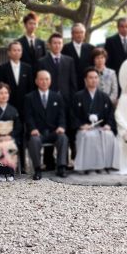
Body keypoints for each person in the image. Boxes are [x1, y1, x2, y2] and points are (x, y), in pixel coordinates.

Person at [37, 32, 77, 167]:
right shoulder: (42, 61)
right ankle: (48, 161)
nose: (57, 45)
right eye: (54, 43)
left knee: (64, 130)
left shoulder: (69, 60)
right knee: (49, 128)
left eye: (59, 43)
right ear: (49, 45)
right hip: (47, 101)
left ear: (62, 44)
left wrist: (73, 100)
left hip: (65, 101)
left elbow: (73, 83)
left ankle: (64, 161)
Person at [0, 41, 34, 171]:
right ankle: (7, 166)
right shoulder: (2, 68)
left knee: (22, 135)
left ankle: (22, 165)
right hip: (7, 108)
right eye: (14, 50)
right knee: (7, 134)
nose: (17, 52)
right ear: (9, 52)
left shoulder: (28, 68)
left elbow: (31, 89)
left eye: (19, 50)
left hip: (24, 108)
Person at [73, 67, 120, 173]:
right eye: (90, 78)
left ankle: (105, 165)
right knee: (89, 136)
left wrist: (108, 125)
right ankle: (89, 167)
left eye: (95, 77)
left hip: (101, 127)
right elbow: (73, 115)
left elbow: (110, 114)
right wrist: (81, 125)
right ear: (85, 80)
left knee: (109, 135)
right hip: (85, 128)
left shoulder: (104, 97)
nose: (93, 80)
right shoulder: (78, 96)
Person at [23, 70, 69, 180]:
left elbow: (62, 115)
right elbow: (28, 116)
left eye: (47, 79)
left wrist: (61, 126)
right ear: (36, 81)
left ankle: (61, 167)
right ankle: (38, 169)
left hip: (54, 131)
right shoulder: (29, 97)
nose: (44, 82)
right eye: (41, 79)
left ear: (50, 81)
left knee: (63, 137)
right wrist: (32, 128)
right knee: (34, 140)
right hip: (38, 132)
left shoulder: (57, 97)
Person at [62, 22, 95, 87]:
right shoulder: (65, 48)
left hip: (87, 83)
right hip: (71, 83)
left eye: (81, 32)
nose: (79, 35)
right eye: (77, 33)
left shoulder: (91, 48)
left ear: (84, 34)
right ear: (72, 34)